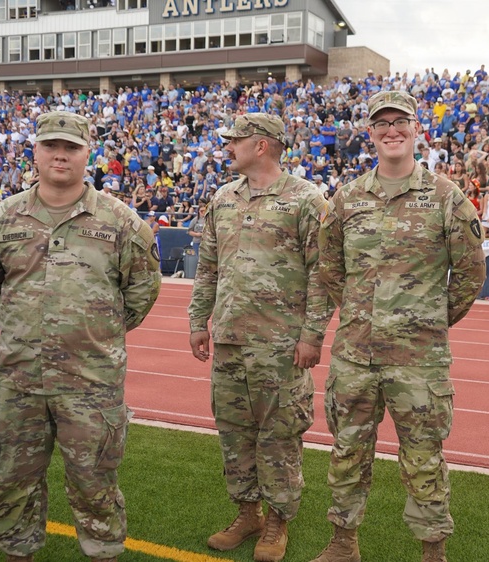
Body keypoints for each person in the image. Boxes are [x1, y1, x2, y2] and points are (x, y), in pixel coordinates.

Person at [0, 111, 162, 562]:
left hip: (91, 383)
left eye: (71, 147)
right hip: (21, 380)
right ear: (34, 151)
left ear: (86, 152)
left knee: (95, 483)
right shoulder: (1, 218)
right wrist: (27, 324)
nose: (60, 154)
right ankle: (19, 553)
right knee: (14, 479)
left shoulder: (121, 222)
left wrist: (93, 333)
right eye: (51, 145)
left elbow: (140, 294)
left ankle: (102, 553)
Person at [314, 90, 486, 562]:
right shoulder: (347, 198)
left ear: (416, 130)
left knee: (424, 457)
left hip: (419, 361)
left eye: (400, 122)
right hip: (355, 356)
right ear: (370, 134)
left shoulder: (447, 198)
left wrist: (428, 319)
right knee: (348, 451)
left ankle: (433, 551)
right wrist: (359, 312)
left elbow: (471, 273)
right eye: (382, 123)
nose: (392, 130)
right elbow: (330, 267)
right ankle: (343, 543)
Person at [186, 113, 331, 562]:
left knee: (279, 433)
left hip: (281, 343)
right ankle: (247, 512)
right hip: (229, 338)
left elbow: (322, 274)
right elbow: (208, 266)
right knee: (234, 432)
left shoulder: (307, 199)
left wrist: (312, 335)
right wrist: (198, 320)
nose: (228, 147)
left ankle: (277, 522)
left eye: (236, 140)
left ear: (262, 145)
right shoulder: (222, 198)